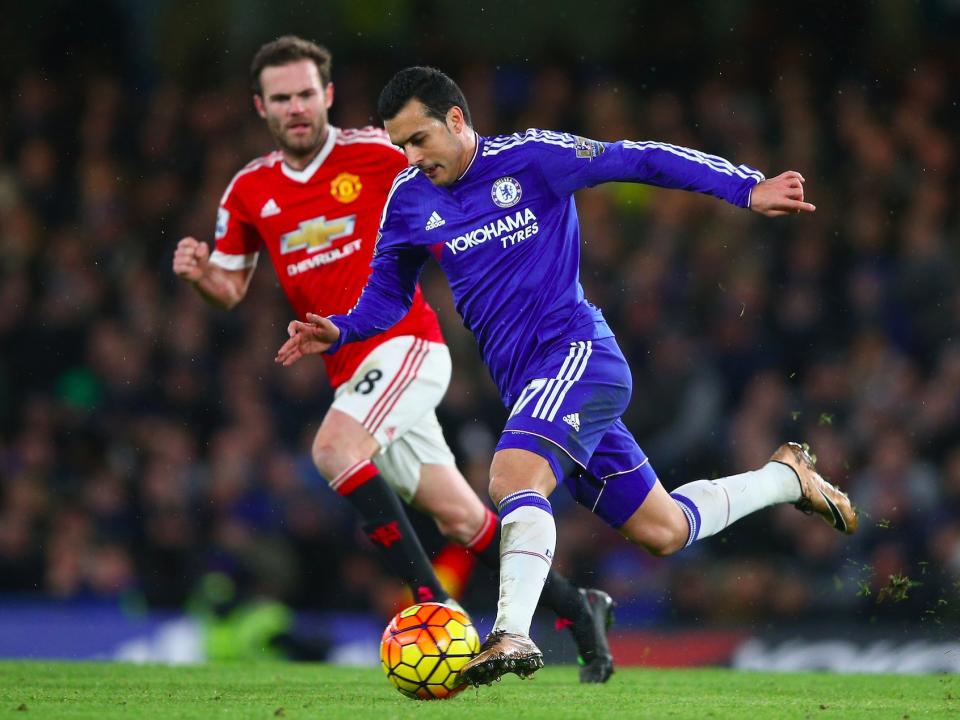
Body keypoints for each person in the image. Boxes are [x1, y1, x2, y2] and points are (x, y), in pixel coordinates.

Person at [275, 65, 860, 687]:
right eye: (399, 146)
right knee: (664, 530)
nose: (410, 157)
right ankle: (785, 478)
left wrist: (745, 188)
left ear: (455, 119)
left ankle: (511, 633)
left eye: (418, 140)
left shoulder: (533, 159)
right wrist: (341, 329)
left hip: (578, 354)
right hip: (530, 386)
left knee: (510, 478)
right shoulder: (409, 199)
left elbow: (638, 159)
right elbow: (387, 296)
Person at [172, 37, 616, 683]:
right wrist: (199, 274)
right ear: (261, 106)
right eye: (281, 98)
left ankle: (430, 605)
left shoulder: (379, 151)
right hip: (350, 369)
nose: (295, 107)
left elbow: (456, 163)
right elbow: (230, 288)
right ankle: (581, 611)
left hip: (406, 344)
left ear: (325, 95)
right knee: (462, 518)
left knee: (332, 447)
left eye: (305, 93)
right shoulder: (249, 190)